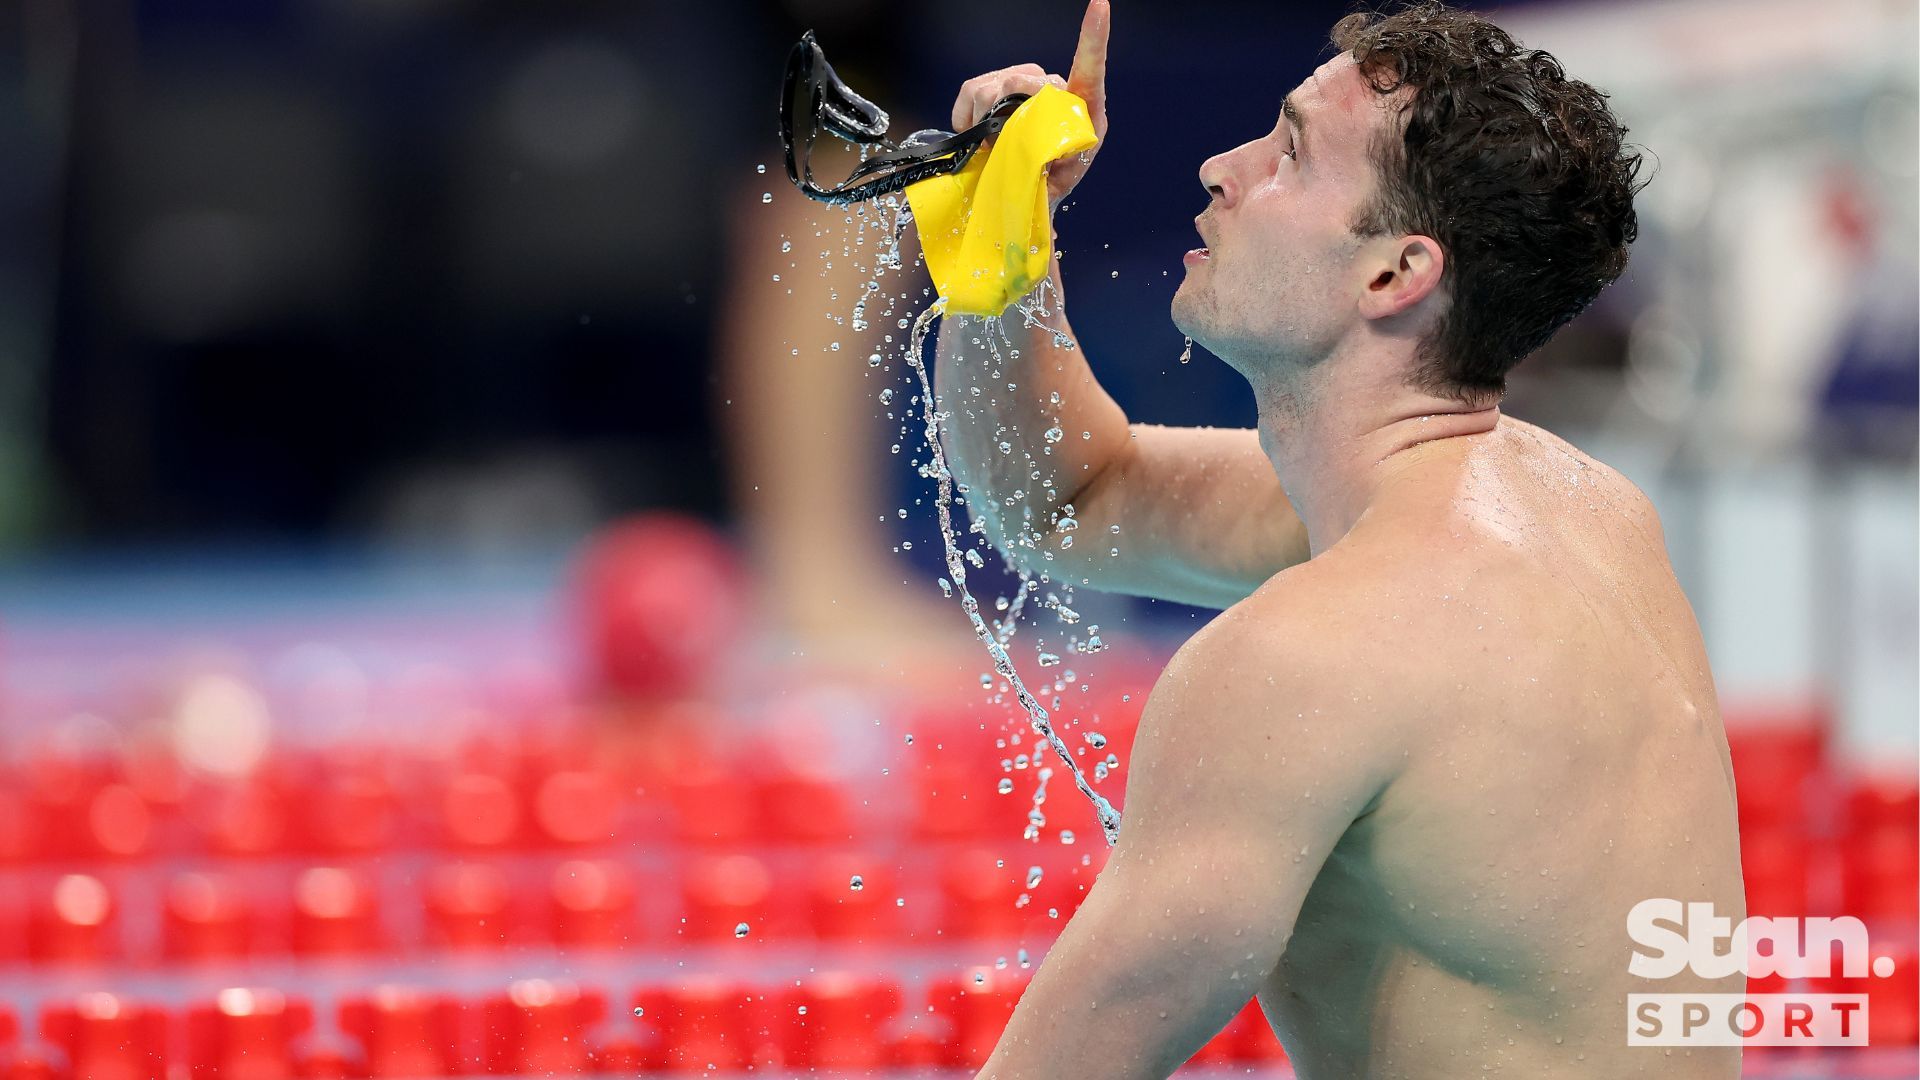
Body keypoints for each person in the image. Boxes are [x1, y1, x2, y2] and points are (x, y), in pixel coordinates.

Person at [934, 2, 1744, 1076]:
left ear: (1393, 276)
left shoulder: (1307, 658)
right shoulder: (1582, 508)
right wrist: (1003, 245)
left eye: (1290, 153)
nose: (1223, 166)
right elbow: (1073, 496)